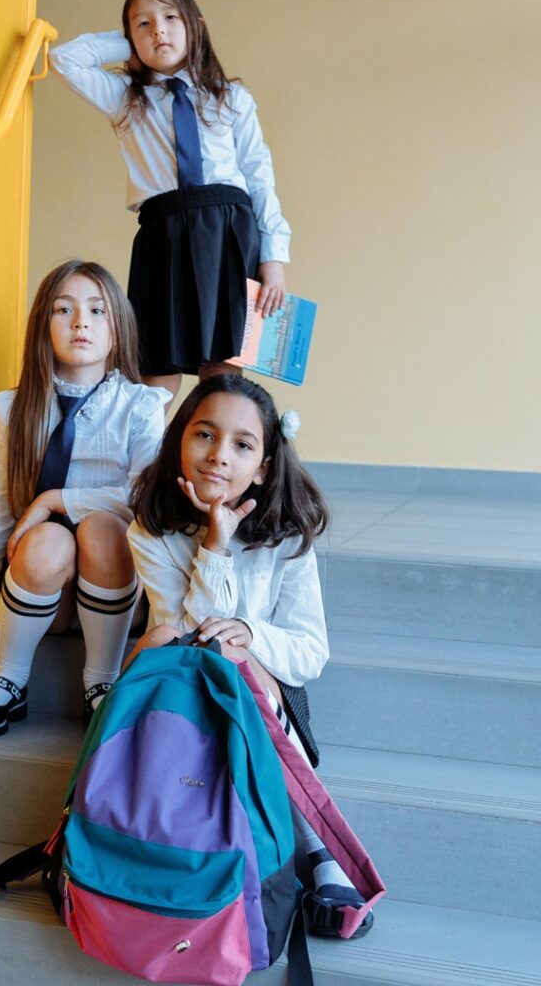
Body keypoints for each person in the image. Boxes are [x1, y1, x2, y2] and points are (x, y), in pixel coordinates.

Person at [126, 372, 373, 936]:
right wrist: (213, 543)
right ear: (178, 442)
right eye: (204, 436)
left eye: (242, 445)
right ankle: (313, 854)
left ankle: (314, 848)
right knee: (186, 640)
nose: (218, 457)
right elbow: (184, 631)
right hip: (180, 694)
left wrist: (249, 633)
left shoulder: (287, 535)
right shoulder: (153, 530)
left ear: (263, 467)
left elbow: (311, 652)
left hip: (265, 695)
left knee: (231, 649)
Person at [50, 0, 292, 397]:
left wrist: (273, 254)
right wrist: (130, 44)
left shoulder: (231, 98)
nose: (157, 29)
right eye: (141, 23)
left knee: (223, 370)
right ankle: (147, 461)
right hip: (164, 235)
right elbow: (64, 59)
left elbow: (259, 174)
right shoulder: (125, 98)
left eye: (169, 17)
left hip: (229, 235)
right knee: (155, 371)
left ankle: (214, 458)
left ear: (195, 26)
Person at [0, 260, 170, 739]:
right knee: (46, 540)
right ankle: (11, 677)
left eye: (97, 311)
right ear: (42, 325)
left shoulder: (141, 405)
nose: (81, 322)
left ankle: (101, 684)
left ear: (118, 329)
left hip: (116, 586)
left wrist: (56, 498)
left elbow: (144, 501)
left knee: (99, 526)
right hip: (43, 595)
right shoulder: (12, 409)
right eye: (64, 309)